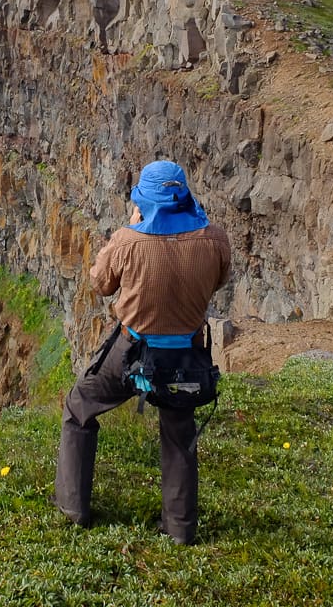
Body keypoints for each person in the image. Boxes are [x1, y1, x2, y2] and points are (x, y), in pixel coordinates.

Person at [54, 160, 231, 544]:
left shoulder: (128, 240)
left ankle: (73, 508)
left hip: (133, 352)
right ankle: (180, 529)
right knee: (179, 433)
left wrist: (133, 229)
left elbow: (101, 283)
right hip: (186, 357)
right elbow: (219, 279)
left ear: (144, 202)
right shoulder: (215, 239)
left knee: (79, 407)